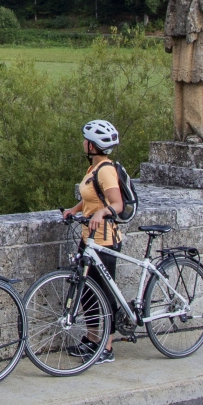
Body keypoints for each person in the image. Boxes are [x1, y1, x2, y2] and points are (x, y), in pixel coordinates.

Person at [62, 119, 128, 362]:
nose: (83, 143)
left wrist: (101, 213)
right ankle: (92, 339)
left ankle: (107, 347)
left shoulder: (107, 170)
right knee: (88, 292)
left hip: (105, 241)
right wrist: (74, 209)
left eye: (85, 140)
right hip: (88, 239)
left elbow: (117, 204)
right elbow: (92, 196)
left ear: (92, 145)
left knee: (105, 291)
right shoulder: (93, 169)